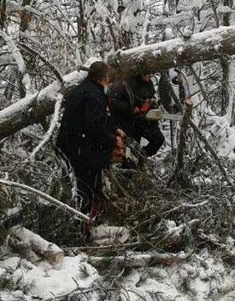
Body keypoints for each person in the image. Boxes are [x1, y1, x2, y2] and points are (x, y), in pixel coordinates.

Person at [56, 61, 124, 223]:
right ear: (104, 78)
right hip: (80, 148)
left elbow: (99, 119)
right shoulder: (94, 96)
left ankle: (89, 220)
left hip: (74, 145)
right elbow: (94, 127)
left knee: (87, 185)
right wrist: (114, 141)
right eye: (108, 77)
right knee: (87, 188)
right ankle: (85, 224)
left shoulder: (86, 90)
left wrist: (115, 130)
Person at [108, 73, 165, 164]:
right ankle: (130, 166)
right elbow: (114, 102)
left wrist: (152, 103)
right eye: (148, 73)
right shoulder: (126, 83)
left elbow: (151, 97)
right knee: (129, 150)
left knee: (158, 139)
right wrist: (130, 108)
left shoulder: (149, 84)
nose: (150, 75)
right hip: (126, 122)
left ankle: (141, 157)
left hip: (143, 121)